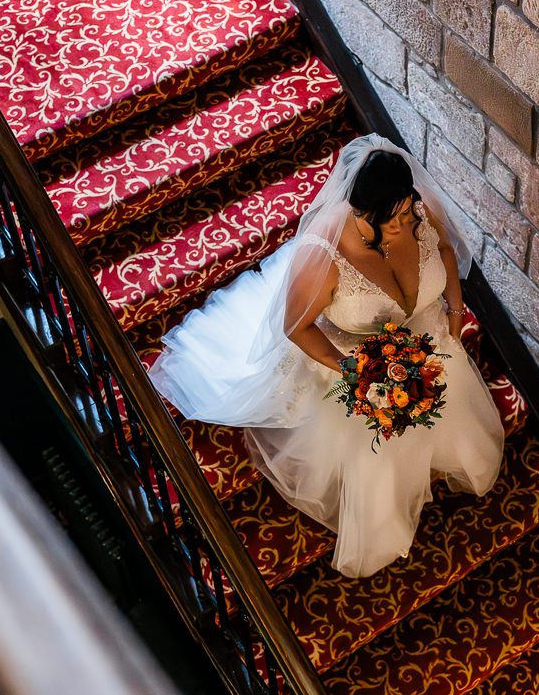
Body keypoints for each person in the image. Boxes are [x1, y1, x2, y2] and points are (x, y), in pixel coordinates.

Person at [148, 134, 505, 577]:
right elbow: (296, 327)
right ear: (360, 214)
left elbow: (447, 252)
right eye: (388, 220)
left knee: (445, 403)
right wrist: (356, 371)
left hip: (427, 343)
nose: (402, 224)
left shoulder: (416, 211)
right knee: (378, 447)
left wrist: (453, 312)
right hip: (353, 358)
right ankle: (383, 521)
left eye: (404, 212)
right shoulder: (324, 254)